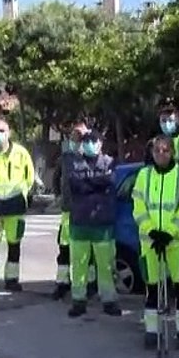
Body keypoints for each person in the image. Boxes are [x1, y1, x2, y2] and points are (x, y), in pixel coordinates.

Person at [132, 134, 179, 350]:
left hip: (176, 242)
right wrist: (152, 231)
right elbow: (138, 207)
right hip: (150, 242)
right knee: (151, 288)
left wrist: (168, 232)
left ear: (172, 152)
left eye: (165, 150)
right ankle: (152, 331)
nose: (161, 154)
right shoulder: (143, 175)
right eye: (157, 150)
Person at [0, 116, 36, 292]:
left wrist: (23, 193)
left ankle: (12, 279)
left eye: (1, 131)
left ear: (9, 133)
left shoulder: (21, 153)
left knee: (14, 244)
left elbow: (29, 176)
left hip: (15, 205)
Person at [65, 130, 120, 318]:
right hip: (80, 223)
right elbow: (76, 185)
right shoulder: (74, 163)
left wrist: (90, 183)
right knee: (79, 265)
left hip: (103, 224)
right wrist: (97, 183)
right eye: (87, 141)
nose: (90, 144)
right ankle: (78, 301)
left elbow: (110, 182)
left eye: (94, 141)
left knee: (105, 265)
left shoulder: (110, 162)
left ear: (100, 143)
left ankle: (109, 300)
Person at [52, 120, 90, 300]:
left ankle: (90, 284)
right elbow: (56, 177)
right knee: (64, 249)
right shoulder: (65, 158)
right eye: (75, 135)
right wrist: (58, 194)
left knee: (87, 252)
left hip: (87, 212)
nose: (78, 139)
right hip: (68, 211)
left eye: (82, 136)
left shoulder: (92, 157)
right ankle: (62, 283)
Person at [149, 102, 179, 168]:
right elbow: (149, 167)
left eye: (170, 120)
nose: (167, 124)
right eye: (163, 121)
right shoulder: (152, 143)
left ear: (178, 120)